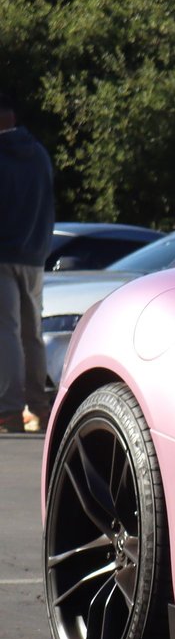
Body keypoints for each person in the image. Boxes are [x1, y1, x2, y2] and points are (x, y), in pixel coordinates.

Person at [0, 86, 55, 433]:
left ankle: (8, 410)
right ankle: (38, 406)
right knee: (32, 332)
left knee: (6, 331)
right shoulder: (38, 154)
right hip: (34, 254)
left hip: (2, 256)